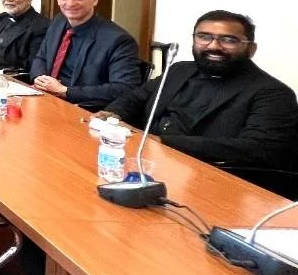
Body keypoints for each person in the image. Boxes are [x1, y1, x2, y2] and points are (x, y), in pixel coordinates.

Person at [98, 11, 298, 175]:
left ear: (251, 49)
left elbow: (256, 148)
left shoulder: (273, 93)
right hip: (146, 161)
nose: (214, 46)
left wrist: (163, 142)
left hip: (209, 175)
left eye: (228, 40)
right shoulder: (179, 70)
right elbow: (135, 97)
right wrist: (113, 114)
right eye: (204, 37)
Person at [30, 0, 142, 111]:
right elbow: (41, 57)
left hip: (82, 108)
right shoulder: (59, 21)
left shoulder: (118, 40)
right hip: (46, 99)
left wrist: (65, 91)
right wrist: (39, 77)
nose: (70, 3)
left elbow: (125, 88)